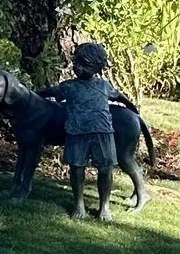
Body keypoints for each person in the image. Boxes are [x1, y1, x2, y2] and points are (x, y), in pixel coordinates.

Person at [48, 42, 137, 222]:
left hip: (102, 133)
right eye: (76, 63)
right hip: (76, 133)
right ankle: (78, 203)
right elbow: (50, 92)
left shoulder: (104, 86)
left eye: (85, 64)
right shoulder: (69, 86)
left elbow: (119, 96)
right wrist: (27, 94)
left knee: (105, 170)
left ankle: (104, 205)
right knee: (77, 168)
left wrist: (132, 109)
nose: (78, 68)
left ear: (98, 67)